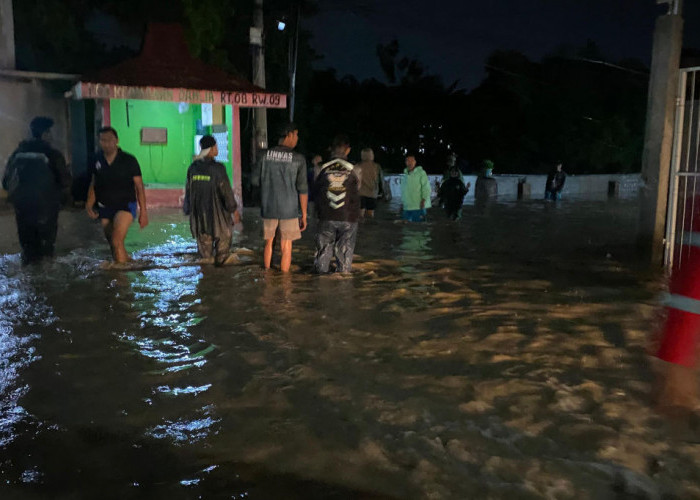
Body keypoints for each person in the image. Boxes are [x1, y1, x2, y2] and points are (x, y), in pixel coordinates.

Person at [2, 116, 70, 264]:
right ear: (46, 133)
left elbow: (6, 182)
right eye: (50, 132)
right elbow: (65, 181)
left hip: (22, 208)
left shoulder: (17, 153)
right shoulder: (52, 154)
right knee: (46, 251)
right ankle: (45, 283)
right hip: (46, 208)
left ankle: (29, 282)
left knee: (28, 250)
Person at [86, 126, 148, 263]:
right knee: (113, 244)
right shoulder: (96, 159)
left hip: (125, 205)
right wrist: (89, 204)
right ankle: (128, 263)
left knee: (116, 239)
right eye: (103, 140)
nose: (106, 143)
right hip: (105, 206)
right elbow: (94, 183)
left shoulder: (129, 160)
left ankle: (121, 278)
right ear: (99, 141)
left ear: (117, 140)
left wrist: (143, 212)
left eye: (110, 140)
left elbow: (139, 186)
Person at [252, 122, 308, 272]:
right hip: (289, 210)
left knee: (269, 242)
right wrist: (304, 214)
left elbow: (254, 181)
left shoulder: (264, 156)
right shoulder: (298, 159)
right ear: (289, 135)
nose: (296, 139)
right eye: (296, 135)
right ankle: (285, 280)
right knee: (286, 245)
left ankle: (267, 274)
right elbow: (302, 189)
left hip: (269, 206)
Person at [183, 135, 241, 266]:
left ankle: (206, 281)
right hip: (219, 219)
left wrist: (187, 209)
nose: (217, 148)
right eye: (216, 146)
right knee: (223, 257)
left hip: (200, 220)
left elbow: (188, 192)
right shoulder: (218, 168)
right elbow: (226, 192)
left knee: (205, 259)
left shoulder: (193, 168)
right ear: (211, 148)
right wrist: (234, 210)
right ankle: (220, 281)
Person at [313, 134, 360, 273]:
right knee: (345, 257)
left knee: (323, 254)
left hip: (326, 216)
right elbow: (357, 192)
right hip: (349, 217)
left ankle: (320, 284)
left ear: (331, 150)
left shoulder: (321, 169)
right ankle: (344, 285)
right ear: (347, 150)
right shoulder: (355, 169)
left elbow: (315, 191)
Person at [400, 151, 431, 222]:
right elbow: (403, 191)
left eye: (412, 160)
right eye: (408, 160)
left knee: (420, 229)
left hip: (418, 206)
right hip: (407, 207)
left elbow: (426, 187)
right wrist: (403, 203)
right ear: (405, 162)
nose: (410, 163)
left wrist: (424, 200)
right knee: (406, 230)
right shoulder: (404, 175)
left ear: (415, 162)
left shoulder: (421, 173)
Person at [354, 147, 384, 219]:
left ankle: (361, 229)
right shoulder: (377, 166)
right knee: (370, 215)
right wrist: (382, 192)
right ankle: (370, 229)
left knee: (360, 216)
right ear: (371, 155)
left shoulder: (357, 166)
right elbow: (381, 180)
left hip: (360, 194)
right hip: (372, 194)